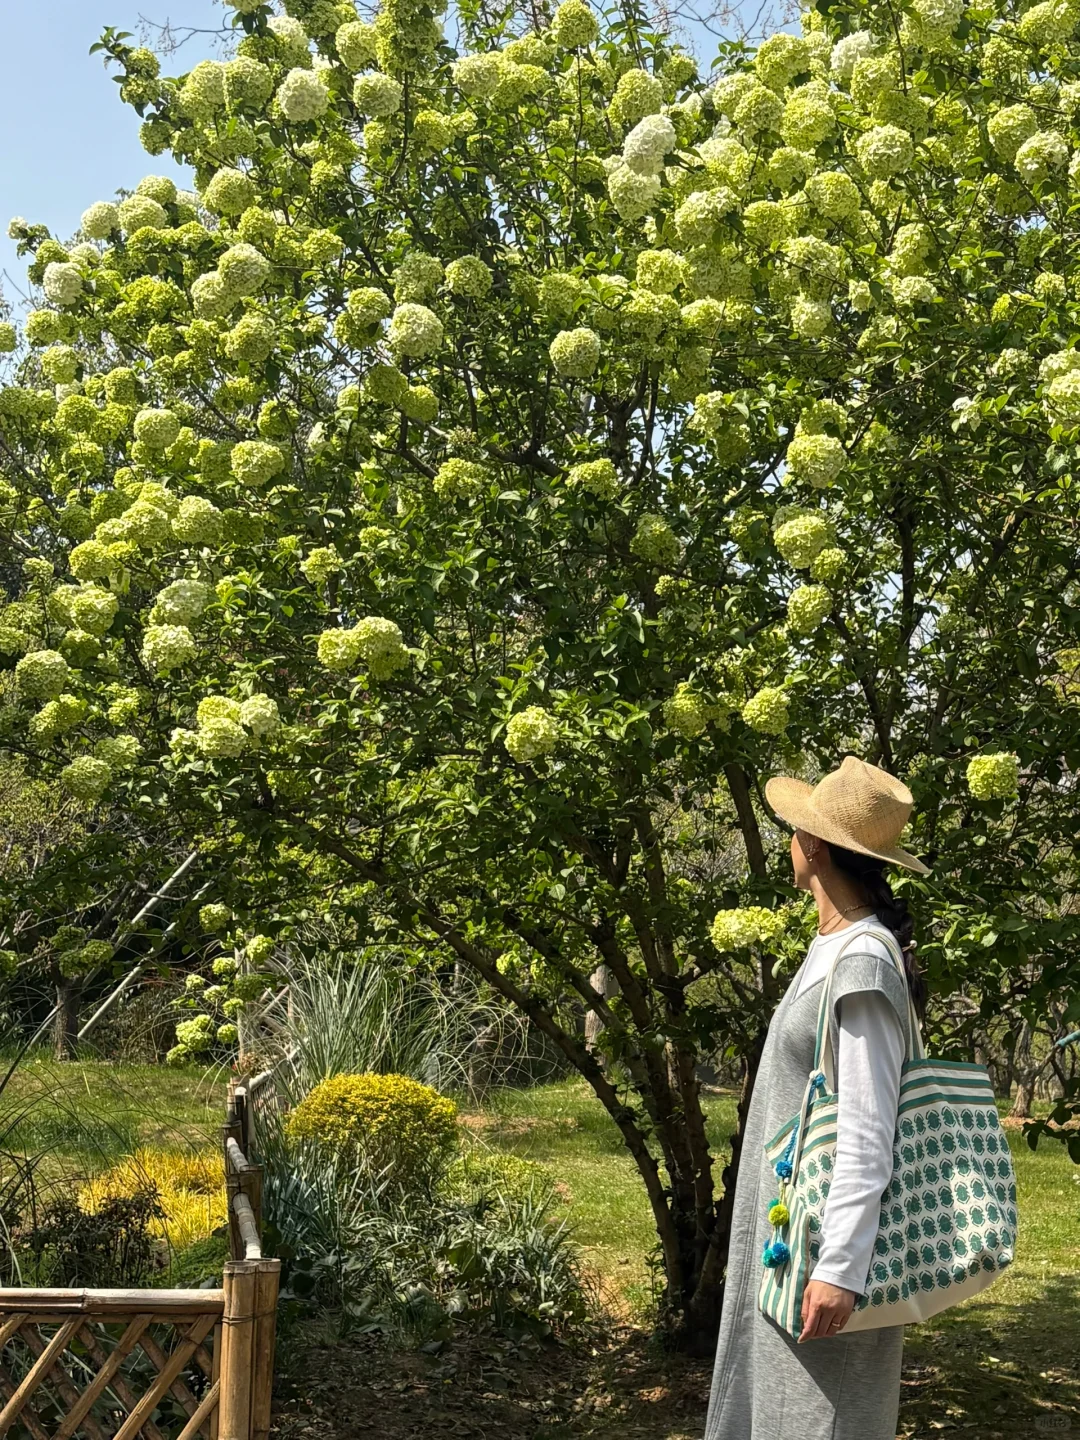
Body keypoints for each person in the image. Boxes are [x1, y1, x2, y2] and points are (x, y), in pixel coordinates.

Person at [704, 755, 931, 1440]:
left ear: (816, 847)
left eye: (798, 830)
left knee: (820, 1422)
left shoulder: (862, 959)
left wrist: (839, 1270)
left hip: (820, 1263)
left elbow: (867, 1127)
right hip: (788, 1249)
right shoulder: (832, 945)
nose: (790, 841)